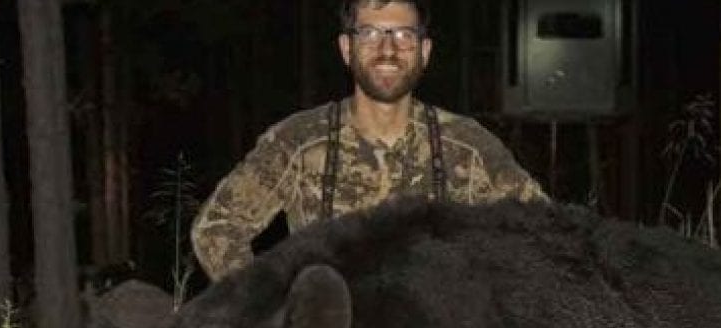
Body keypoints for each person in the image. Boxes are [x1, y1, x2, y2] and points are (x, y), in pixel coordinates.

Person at [191, 0, 547, 281]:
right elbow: (216, 230)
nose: (388, 49)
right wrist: (275, 315)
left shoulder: (468, 148)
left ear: (425, 52)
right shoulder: (298, 143)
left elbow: (545, 234)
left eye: (403, 35)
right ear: (347, 49)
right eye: (370, 34)